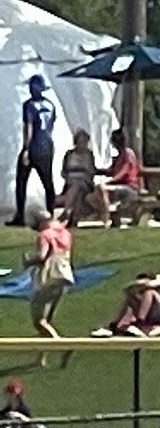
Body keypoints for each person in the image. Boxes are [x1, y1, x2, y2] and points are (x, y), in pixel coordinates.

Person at [8, 74, 58, 226]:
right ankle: (51, 213)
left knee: (21, 180)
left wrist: (26, 149)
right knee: (48, 181)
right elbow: (51, 125)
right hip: (47, 145)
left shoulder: (29, 105)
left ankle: (20, 216)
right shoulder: (50, 105)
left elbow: (28, 127)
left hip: (34, 146)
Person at [26, 211, 73, 358]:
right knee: (47, 321)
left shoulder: (45, 235)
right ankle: (42, 357)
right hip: (63, 277)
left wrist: (28, 261)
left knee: (39, 322)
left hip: (49, 278)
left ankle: (64, 348)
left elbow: (42, 256)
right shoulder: (65, 234)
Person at [61, 128, 108, 227]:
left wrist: (83, 174)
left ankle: (66, 212)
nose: (82, 144)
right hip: (71, 182)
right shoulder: (69, 154)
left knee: (77, 186)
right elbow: (63, 172)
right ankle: (73, 219)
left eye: (84, 142)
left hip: (85, 183)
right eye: (80, 141)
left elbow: (91, 172)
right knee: (76, 191)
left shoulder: (89, 155)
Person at [103, 128, 143, 227]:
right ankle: (109, 213)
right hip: (120, 185)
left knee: (104, 189)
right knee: (96, 191)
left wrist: (110, 180)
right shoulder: (119, 156)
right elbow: (111, 171)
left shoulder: (128, 153)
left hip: (130, 186)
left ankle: (107, 216)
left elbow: (124, 171)